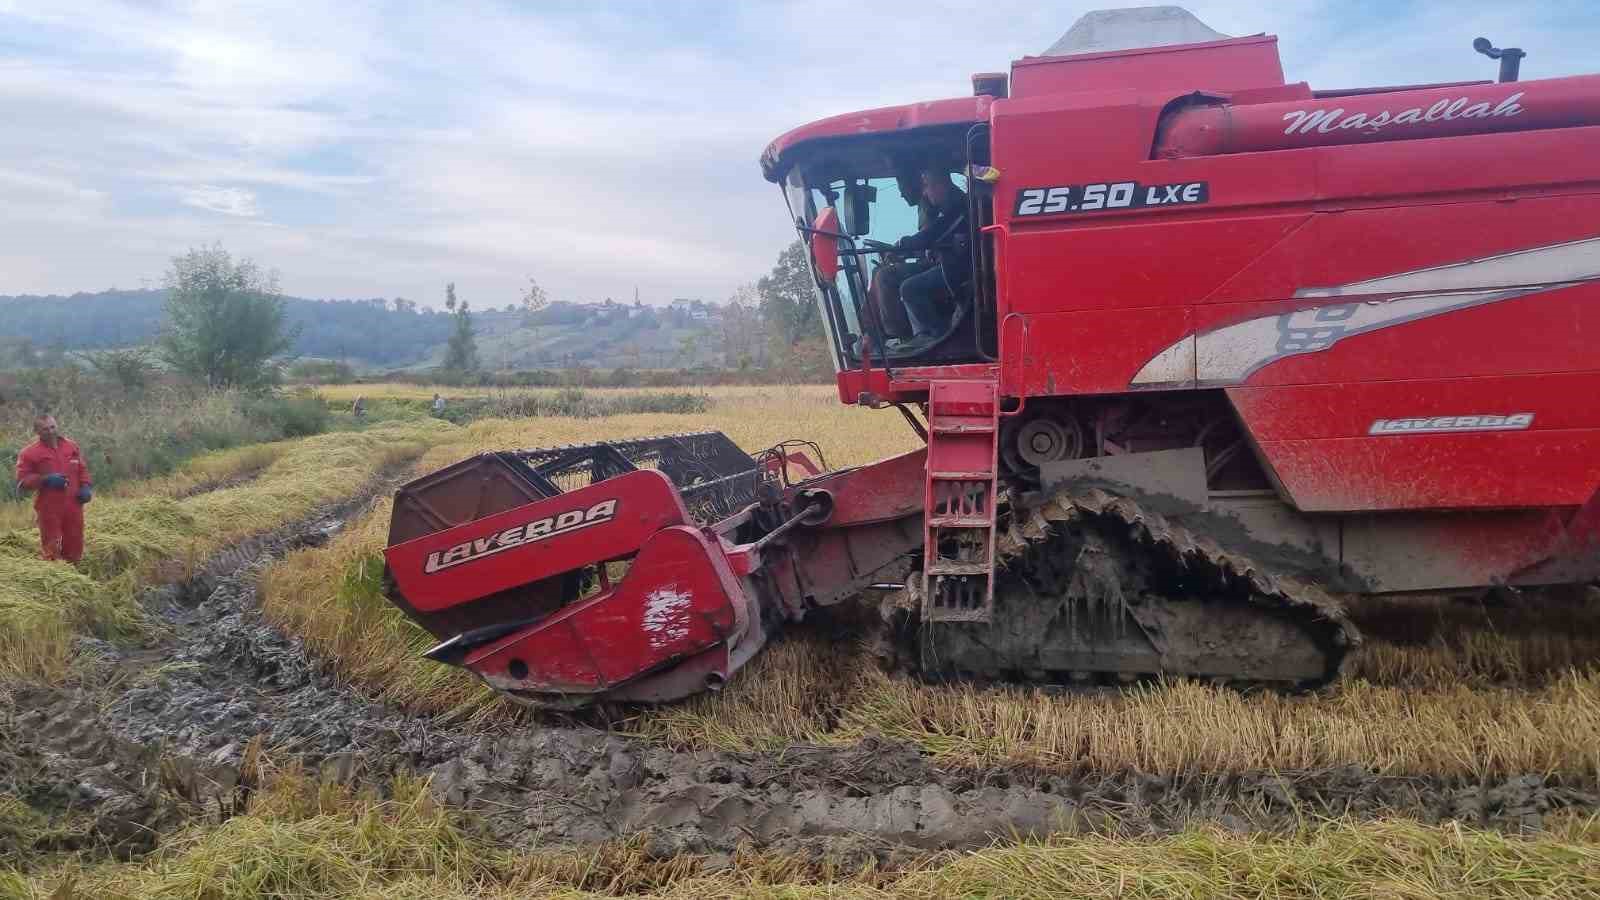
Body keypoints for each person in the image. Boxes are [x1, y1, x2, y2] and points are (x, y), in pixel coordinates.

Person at [894, 167, 971, 344]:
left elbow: (932, 234)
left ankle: (933, 337)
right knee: (891, 275)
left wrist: (902, 245)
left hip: (959, 269)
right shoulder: (943, 207)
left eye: (926, 186)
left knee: (909, 288)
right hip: (949, 263)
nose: (924, 192)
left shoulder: (958, 205)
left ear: (940, 185)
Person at [13, 413, 92, 563]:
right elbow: (22, 481)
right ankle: (54, 577)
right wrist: (45, 480)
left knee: (75, 543)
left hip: (74, 505)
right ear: (37, 432)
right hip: (49, 508)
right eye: (45, 429)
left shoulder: (71, 446)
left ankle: (74, 575)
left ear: (56, 426)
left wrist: (86, 486)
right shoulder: (29, 453)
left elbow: (83, 470)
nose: (50, 431)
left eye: (52, 427)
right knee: (52, 546)